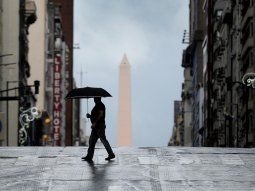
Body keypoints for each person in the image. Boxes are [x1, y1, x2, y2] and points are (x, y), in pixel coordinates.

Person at [82, 97, 115, 163]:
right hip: (96, 127)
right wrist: (90, 116)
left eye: (95, 98)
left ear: (98, 99)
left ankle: (111, 154)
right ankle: (89, 156)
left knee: (103, 140)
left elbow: (100, 115)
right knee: (91, 141)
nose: (94, 99)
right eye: (94, 98)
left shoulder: (100, 105)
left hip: (99, 126)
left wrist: (94, 123)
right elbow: (96, 115)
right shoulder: (97, 105)